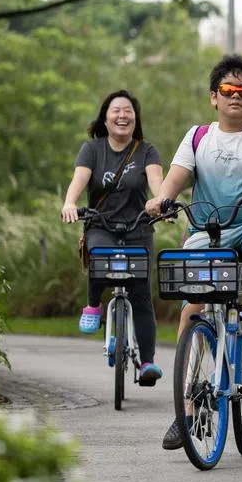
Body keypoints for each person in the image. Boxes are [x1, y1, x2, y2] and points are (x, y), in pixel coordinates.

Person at [146, 55, 242, 450]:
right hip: (206, 231)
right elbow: (175, 179)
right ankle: (186, 410)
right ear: (214, 97)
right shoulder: (197, 137)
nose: (235, 96)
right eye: (227, 90)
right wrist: (161, 199)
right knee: (191, 310)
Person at [60, 90, 165, 386]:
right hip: (101, 224)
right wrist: (70, 203)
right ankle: (93, 303)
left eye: (128, 111)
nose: (122, 115)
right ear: (105, 119)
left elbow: (157, 183)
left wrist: (163, 202)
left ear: (135, 118)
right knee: (99, 257)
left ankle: (147, 363)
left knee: (141, 296)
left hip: (138, 228)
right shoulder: (92, 149)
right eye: (116, 110)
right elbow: (79, 181)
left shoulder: (147, 150)